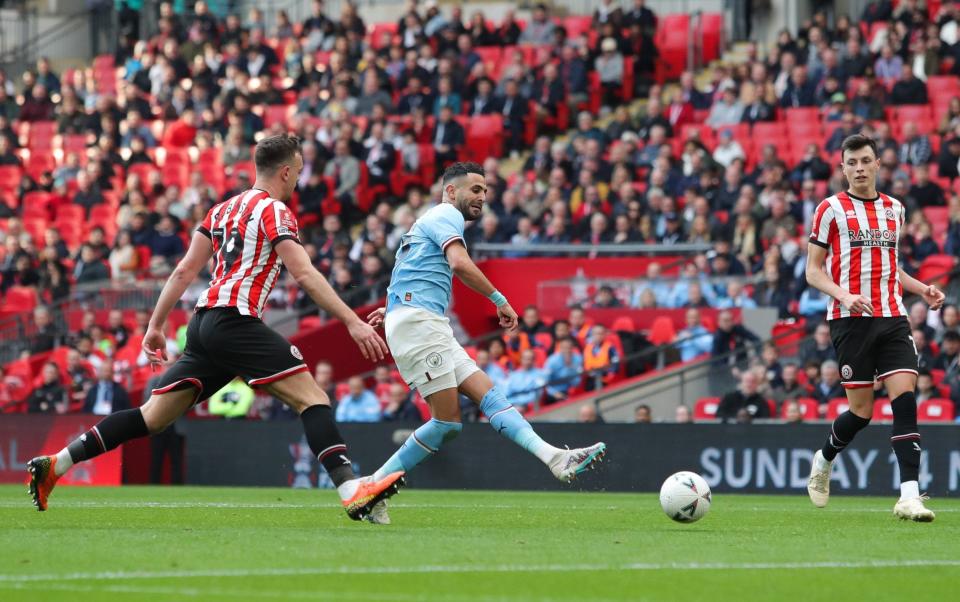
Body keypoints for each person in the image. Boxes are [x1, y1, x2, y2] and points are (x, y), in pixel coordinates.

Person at [28, 134, 403, 522]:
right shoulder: (275, 211)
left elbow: (183, 270)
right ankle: (352, 491)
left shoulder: (221, 210)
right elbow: (305, 273)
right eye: (297, 174)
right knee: (313, 399)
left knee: (152, 417)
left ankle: (56, 463)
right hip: (235, 321)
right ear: (286, 171)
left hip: (203, 323)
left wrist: (156, 325)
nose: (297, 183)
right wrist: (352, 321)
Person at [364, 162, 605, 523]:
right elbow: (459, 263)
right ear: (451, 191)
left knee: (490, 395)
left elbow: (410, 268)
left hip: (422, 320)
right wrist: (499, 299)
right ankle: (374, 485)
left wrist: (392, 307)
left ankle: (555, 458)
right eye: (474, 189)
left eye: (485, 191)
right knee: (446, 423)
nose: (481, 197)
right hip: (420, 323)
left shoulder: (428, 221)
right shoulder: (446, 214)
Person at [806, 134, 945, 521]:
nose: (860, 168)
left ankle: (909, 495)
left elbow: (890, 267)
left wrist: (922, 289)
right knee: (862, 413)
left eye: (866, 160)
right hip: (850, 321)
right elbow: (812, 271)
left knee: (904, 401)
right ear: (843, 168)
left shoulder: (894, 209)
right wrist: (845, 296)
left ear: (879, 164)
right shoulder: (830, 209)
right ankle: (825, 456)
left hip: (892, 317)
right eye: (852, 162)